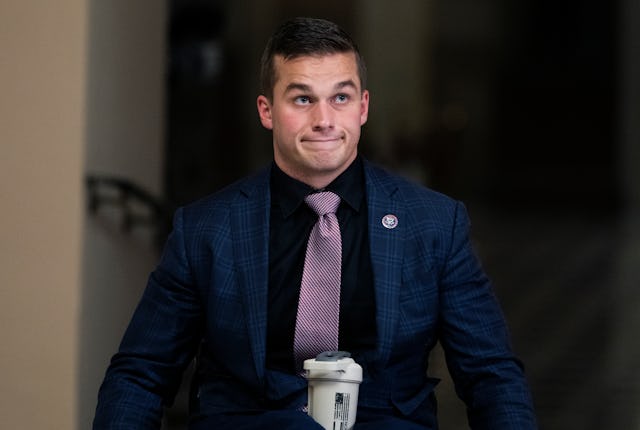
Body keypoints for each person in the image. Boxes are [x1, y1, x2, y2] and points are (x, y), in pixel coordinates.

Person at [93, 17, 537, 429]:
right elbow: (141, 374)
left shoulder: (435, 223)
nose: (324, 120)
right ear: (267, 111)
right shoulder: (207, 229)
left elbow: (491, 375)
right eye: (302, 98)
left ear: (362, 107)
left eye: (340, 98)